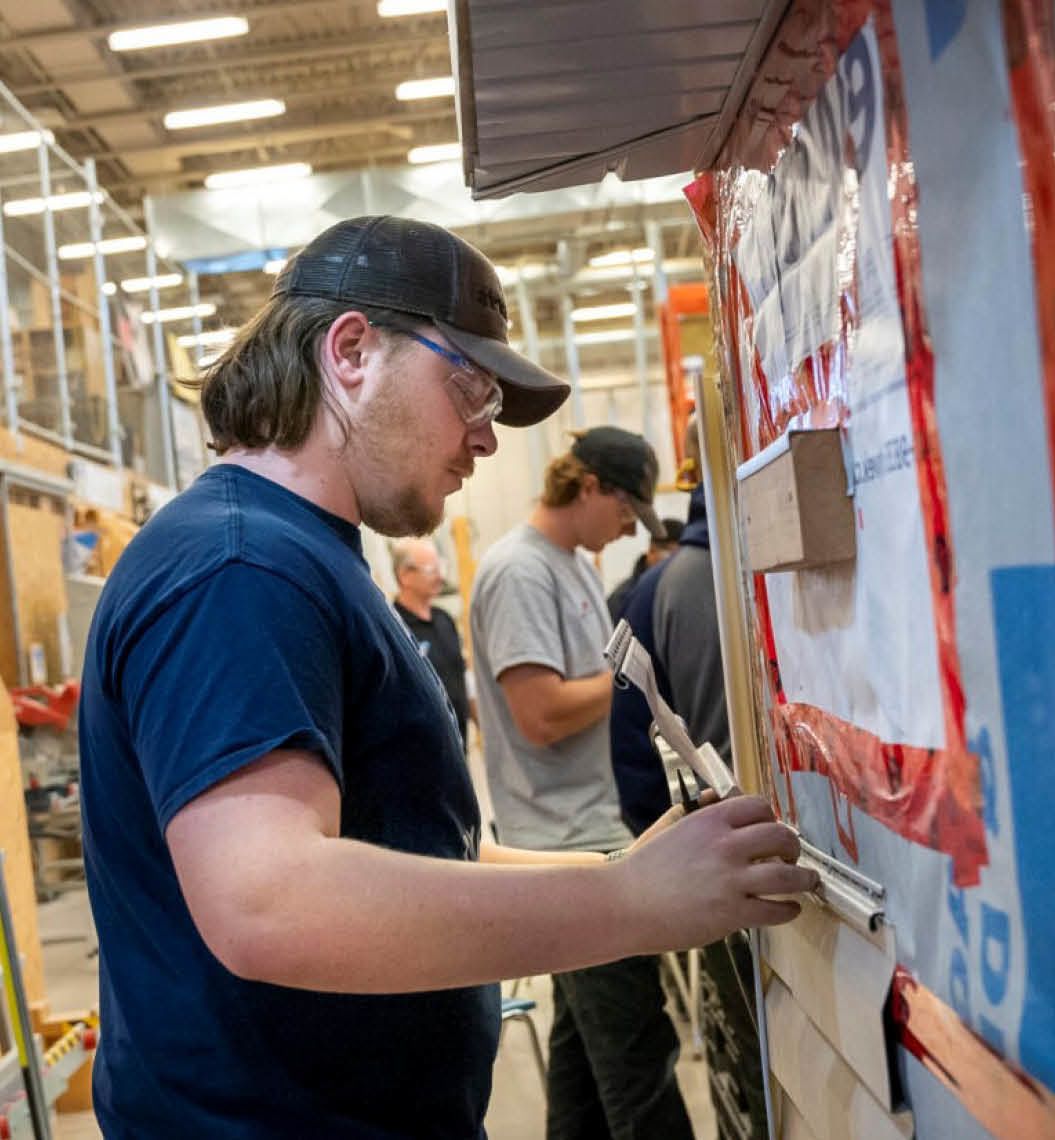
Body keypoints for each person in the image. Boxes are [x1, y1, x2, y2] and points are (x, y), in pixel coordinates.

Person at [76, 214, 813, 1138]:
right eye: (468, 391)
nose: (487, 438)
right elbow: (270, 902)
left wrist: (625, 869)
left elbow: (418, 839)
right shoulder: (239, 568)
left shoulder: (305, 558)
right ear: (351, 353)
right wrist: (625, 903)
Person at [471, 426, 696, 1139]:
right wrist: (640, 681)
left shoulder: (571, 564)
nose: (629, 527)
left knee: (584, 1078)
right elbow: (539, 714)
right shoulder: (519, 572)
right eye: (625, 509)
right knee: (639, 1063)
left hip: (595, 831)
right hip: (568, 850)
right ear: (589, 485)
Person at [608, 485, 766, 1140]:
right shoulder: (716, 581)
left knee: (745, 1075)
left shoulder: (662, 587)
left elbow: (628, 735)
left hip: (714, 850)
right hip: (737, 858)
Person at [389, 537, 471, 746]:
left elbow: (462, 675)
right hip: (421, 749)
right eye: (430, 570)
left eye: (440, 568)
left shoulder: (445, 619)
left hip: (459, 742)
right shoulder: (394, 628)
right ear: (405, 575)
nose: (440, 577)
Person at [606, 518, 682, 620]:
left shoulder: (681, 594)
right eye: (671, 556)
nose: (676, 565)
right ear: (652, 551)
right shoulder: (622, 599)